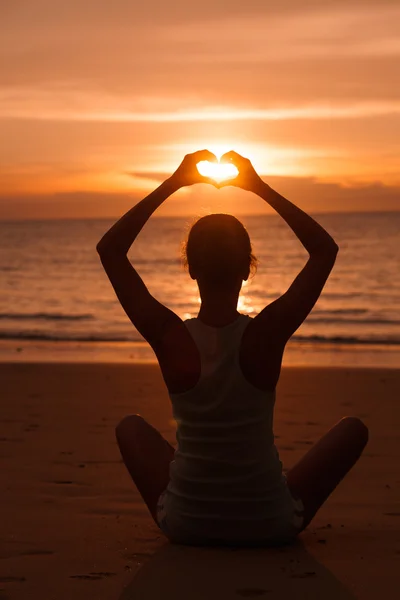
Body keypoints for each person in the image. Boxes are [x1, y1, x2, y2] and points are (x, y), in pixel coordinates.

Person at [97, 149, 369, 546]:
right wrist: (258, 187)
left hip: (187, 526)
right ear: (248, 269)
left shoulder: (170, 336)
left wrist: (175, 182)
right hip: (269, 525)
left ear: (190, 269)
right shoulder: (267, 334)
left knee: (130, 427)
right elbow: (325, 250)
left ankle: (206, 499)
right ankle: (255, 499)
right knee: (353, 431)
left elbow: (111, 250)